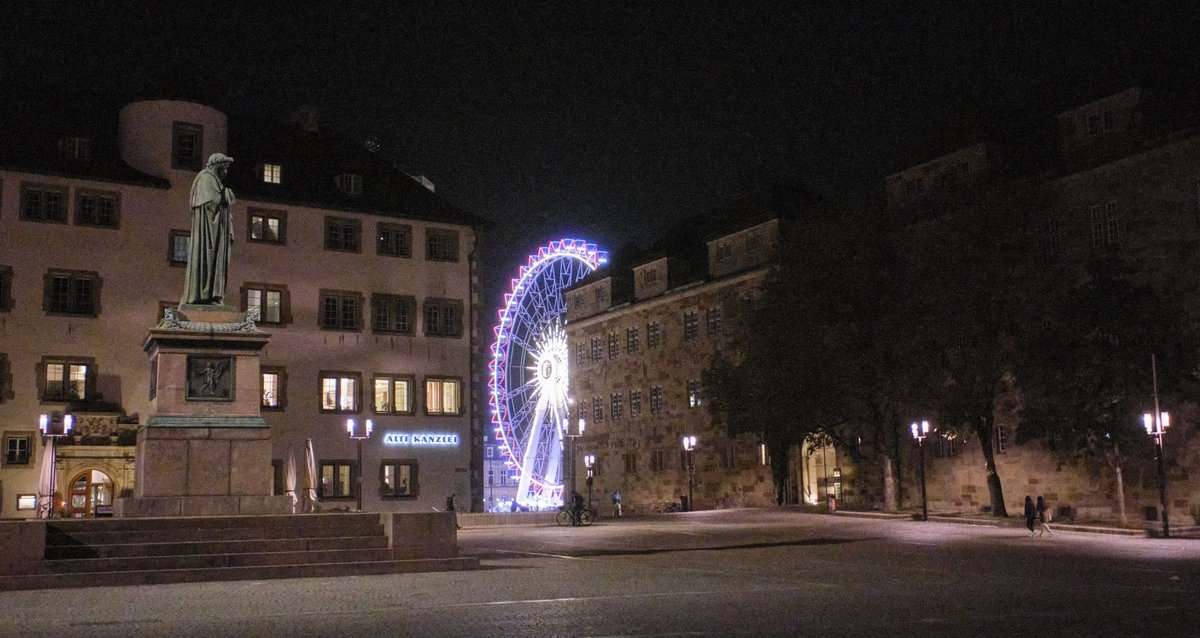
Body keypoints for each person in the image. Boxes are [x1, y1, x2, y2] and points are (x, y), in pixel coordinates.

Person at [181, 153, 236, 306]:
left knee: (216, 262)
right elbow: (210, 204)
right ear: (218, 166)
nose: (226, 172)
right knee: (208, 262)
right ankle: (204, 295)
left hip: (217, 234)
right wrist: (225, 196)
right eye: (224, 168)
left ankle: (213, 295)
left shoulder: (214, 181)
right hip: (209, 236)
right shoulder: (205, 179)